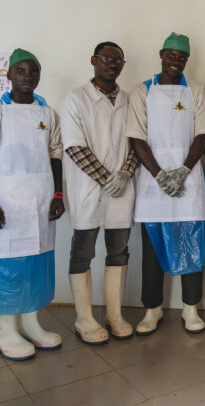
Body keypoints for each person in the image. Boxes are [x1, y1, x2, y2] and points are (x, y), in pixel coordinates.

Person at [127, 32, 205, 335]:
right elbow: (136, 137)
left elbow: (202, 134)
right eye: (171, 55)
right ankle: (153, 309)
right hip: (153, 185)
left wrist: (184, 170)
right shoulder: (142, 91)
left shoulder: (197, 91)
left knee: (191, 245)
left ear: (187, 60)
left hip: (188, 183)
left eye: (182, 57)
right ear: (162, 54)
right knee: (151, 252)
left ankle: (191, 309)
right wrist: (160, 175)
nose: (176, 61)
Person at [61, 42, 138, 344]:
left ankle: (115, 315)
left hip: (122, 188)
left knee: (118, 251)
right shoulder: (76, 99)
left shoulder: (130, 100)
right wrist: (108, 178)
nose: (113, 64)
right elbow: (74, 146)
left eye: (119, 60)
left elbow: (137, 142)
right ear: (94, 60)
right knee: (83, 252)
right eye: (107, 58)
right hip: (89, 190)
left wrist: (126, 173)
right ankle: (84, 318)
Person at [0, 49, 64, 360]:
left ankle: (30, 323)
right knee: (8, 264)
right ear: (9, 74)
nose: (28, 77)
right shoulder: (0, 111)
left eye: (33, 72)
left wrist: (58, 196)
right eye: (21, 71)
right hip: (7, 203)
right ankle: (5, 329)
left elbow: (55, 156)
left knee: (37, 261)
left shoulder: (47, 114)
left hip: (40, 200)